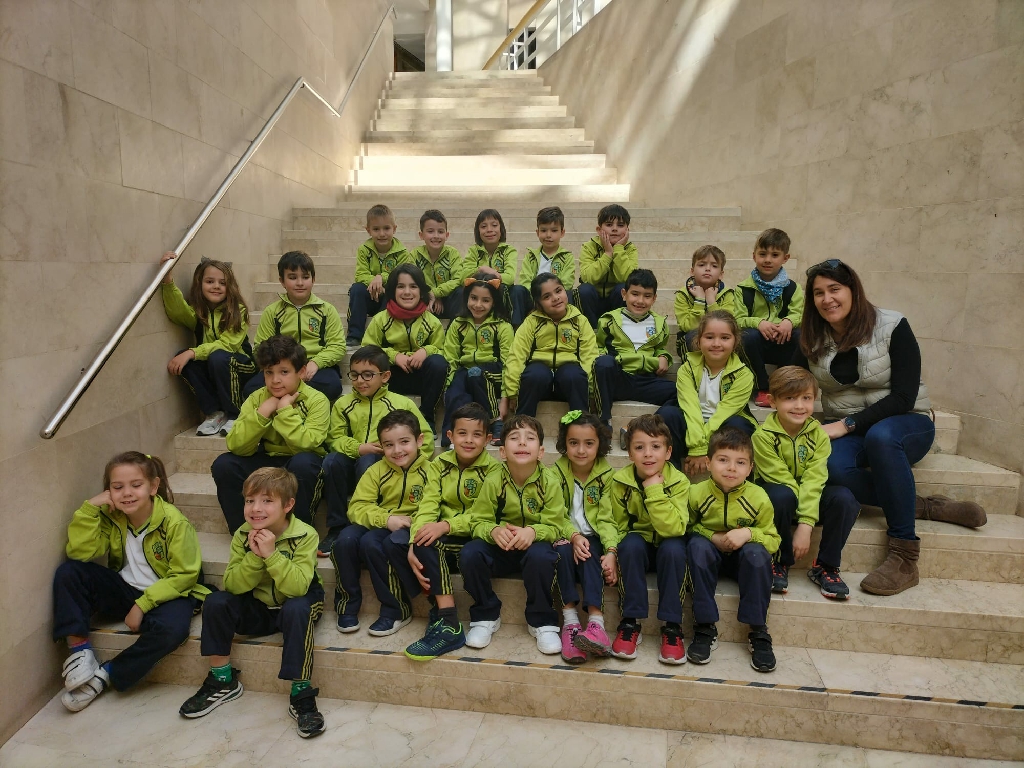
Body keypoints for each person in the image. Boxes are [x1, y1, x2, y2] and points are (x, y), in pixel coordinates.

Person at [796, 259, 987, 596]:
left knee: (881, 438)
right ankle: (923, 505)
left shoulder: (892, 324)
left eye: (834, 289)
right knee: (831, 467)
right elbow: (792, 380)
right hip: (852, 429)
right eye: (818, 293)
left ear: (853, 290)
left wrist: (847, 424)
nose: (827, 299)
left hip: (906, 422)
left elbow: (903, 396)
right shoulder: (812, 336)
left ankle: (904, 557)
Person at [53, 452, 207, 712]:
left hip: (169, 593)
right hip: (125, 589)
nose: (127, 493)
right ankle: (80, 652)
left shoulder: (174, 522)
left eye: (136, 485)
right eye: (117, 487)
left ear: (153, 487)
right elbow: (80, 553)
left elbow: (185, 576)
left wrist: (142, 605)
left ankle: (108, 674)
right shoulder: (112, 517)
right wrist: (89, 510)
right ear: (108, 491)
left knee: (173, 631)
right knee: (70, 572)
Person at [179, 467, 326, 738]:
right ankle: (222, 679)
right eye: (250, 500)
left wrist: (272, 556)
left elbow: (298, 588)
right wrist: (255, 557)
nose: (256, 508)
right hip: (259, 607)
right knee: (216, 601)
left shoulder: (305, 535)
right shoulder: (242, 535)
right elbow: (233, 585)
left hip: (298, 604)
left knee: (297, 608)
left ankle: (301, 692)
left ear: (288, 505)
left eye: (267, 500)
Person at [385, 403, 498, 660]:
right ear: (450, 435)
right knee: (396, 542)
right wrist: (413, 543)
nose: (468, 440)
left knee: (428, 541)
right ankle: (439, 609)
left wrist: (447, 525)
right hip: (442, 538)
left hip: (474, 539)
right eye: (462, 433)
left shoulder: (494, 470)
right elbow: (428, 505)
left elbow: (485, 515)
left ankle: (448, 624)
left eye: (477, 434)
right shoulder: (439, 464)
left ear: (488, 439)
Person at [459, 415, 567, 653]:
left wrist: (533, 531)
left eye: (530, 438)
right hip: (501, 549)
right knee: (470, 553)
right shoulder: (493, 479)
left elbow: (557, 526)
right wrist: (493, 530)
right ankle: (485, 615)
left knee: (543, 556)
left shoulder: (550, 481)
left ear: (540, 452)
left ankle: (542, 621)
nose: (522, 443)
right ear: (502, 452)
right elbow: (477, 521)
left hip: (534, 548)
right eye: (514, 438)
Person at [753, 366, 860, 599]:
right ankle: (778, 560)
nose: (799, 406)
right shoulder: (762, 437)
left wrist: (806, 523)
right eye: (789, 398)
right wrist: (805, 521)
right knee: (780, 494)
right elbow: (781, 479)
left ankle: (826, 566)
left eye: (806, 398)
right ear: (772, 401)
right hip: (779, 503)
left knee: (844, 498)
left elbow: (815, 478)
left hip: (808, 501)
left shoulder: (818, 435)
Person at [318, 345, 433, 556]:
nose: (360, 381)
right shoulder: (343, 404)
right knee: (332, 460)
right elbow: (333, 438)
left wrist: (407, 461)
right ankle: (336, 527)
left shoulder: (402, 403)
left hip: (385, 470)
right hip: (351, 467)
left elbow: (424, 438)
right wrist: (358, 448)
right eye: (354, 375)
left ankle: (374, 518)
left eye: (368, 375)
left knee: (369, 460)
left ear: (385, 376)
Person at [212, 336, 329, 533]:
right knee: (224, 464)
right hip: (267, 458)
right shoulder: (257, 398)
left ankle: (299, 533)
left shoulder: (317, 400)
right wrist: (263, 412)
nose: (275, 380)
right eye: (269, 372)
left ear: (301, 372)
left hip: (300, 460)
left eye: (284, 372)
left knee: (304, 463)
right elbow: (235, 445)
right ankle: (244, 533)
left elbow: (308, 443)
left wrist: (284, 411)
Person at [686, 428, 779, 672]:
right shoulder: (696, 493)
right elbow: (686, 527)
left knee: (757, 553)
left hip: (743, 561)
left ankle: (758, 631)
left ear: (750, 468)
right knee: (696, 546)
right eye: (723, 460)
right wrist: (712, 536)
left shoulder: (759, 497)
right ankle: (705, 626)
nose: (731, 468)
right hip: (709, 558)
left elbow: (773, 540)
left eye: (740, 462)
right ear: (708, 463)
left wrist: (749, 533)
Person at [330, 410, 430, 636]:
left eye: (404, 442)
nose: (397, 450)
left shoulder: (431, 471)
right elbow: (357, 507)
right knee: (344, 541)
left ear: (419, 440)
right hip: (380, 521)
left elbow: (435, 507)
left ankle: (396, 609)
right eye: (389, 445)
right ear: (381, 446)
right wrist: (386, 519)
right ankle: (347, 606)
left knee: (371, 544)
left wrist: (407, 522)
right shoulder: (376, 470)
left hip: (410, 527)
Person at [607, 415, 690, 665]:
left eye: (656, 446)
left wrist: (653, 490)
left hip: (668, 545)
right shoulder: (620, 481)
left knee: (675, 548)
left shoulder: (679, 482)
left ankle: (672, 626)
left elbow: (674, 528)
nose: (648, 454)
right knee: (629, 545)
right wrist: (611, 551)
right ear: (629, 453)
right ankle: (630, 622)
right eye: (639, 447)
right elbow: (615, 524)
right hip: (639, 547)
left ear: (668, 452)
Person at [160, 253, 253, 436]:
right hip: (215, 365)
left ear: (230, 287)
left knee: (216, 356)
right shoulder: (199, 311)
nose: (216, 286)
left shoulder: (238, 311)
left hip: (243, 366)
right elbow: (178, 313)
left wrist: (193, 352)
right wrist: (167, 280)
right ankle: (215, 413)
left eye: (222, 283)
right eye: (210, 281)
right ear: (199, 284)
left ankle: (235, 414)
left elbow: (228, 345)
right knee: (185, 359)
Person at [550, 411, 617, 664]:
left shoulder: (608, 476)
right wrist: (574, 535)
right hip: (563, 534)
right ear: (564, 444)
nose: (581, 450)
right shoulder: (554, 473)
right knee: (562, 552)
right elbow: (555, 514)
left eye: (589, 443)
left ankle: (596, 625)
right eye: (573, 443)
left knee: (591, 553)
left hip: (594, 537)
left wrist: (611, 551)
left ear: (600, 445)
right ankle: (570, 623)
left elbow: (608, 519)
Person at [656, 310, 757, 472]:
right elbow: (690, 407)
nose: (716, 343)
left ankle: (731, 477)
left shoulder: (743, 375)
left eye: (725, 338)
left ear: (735, 341)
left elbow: (724, 413)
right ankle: (670, 474)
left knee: (739, 425)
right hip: (690, 430)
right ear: (698, 340)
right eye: (709, 337)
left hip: (722, 433)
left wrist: (701, 448)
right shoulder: (687, 369)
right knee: (668, 415)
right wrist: (696, 446)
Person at [244, 251, 345, 401]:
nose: (300, 283)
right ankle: (293, 400)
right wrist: (282, 369)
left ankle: (282, 400)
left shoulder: (327, 310)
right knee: (250, 390)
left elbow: (337, 346)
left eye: (305, 277)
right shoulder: (272, 312)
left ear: (313, 279)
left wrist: (316, 362)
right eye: (292, 277)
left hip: (314, 368)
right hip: (280, 366)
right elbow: (260, 346)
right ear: (282, 281)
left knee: (332, 385)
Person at [362, 263, 447, 432]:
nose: (407, 292)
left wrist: (425, 351)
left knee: (438, 363)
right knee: (371, 366)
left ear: (421, 291)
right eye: (401, 286)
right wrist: (393, 356)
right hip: (391, 377)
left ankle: (426, 417)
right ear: (393, 290)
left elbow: (444, 350)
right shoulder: (380, 319)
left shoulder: (432, 321)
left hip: (422, 378)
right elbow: (366, 350)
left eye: (413, 286)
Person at [500, 273, 599, 419]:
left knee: (574, 375)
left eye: (558, 291)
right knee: (535, 373)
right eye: (547, 296)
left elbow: (589, 356)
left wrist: (591, 392)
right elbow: (516, 355)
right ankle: (523, 424)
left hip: (568, 383)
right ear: (538, 304)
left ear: (565, 291)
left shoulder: (580, 321)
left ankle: (581, 424)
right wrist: (513, 392)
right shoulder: (531, 322)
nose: (555, 298)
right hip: (539, 383)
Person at [593, 268, 676, 436]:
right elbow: (599, 345)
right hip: (619, 378)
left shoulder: (659, 324)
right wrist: (601, 355)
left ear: (654, 298)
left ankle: (647, 425)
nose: (640, 301)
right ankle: (604, 421)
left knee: (681, 391)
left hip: (646, 380)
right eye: (635, 294)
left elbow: (659, 348)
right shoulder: (609, 320)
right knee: (604, 363)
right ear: (624, 294)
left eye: (647, 296)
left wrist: (664, 356)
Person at [440, 272, 514, 448]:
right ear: (466, 297)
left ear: (494, 302)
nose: (478, 305)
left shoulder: (502, 326)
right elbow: (451, 357)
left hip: (494, 371)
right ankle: (452, 433)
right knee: (456, 388)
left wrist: (506, 397)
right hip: (466, 370)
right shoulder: (458, 324)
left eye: (485, 300)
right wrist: (448, 386)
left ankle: (495, 421)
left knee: (475, 374)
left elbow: (509, 364)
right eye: (474, 298)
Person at [733, 228, 803, 408]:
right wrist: (759, 323)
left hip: (783, 340)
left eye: (775, 255)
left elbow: (799, 314)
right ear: (754, 256)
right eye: (762, 254)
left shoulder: (793, 288)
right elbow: (738, 319)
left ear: (785, 258)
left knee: (802, 335)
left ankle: (784, 384)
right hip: (757, 345)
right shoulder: (743, 289)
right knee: (746, 336)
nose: (768, 260)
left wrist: (788, 322)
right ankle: (762, 386)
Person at [348, 203, 409, 345]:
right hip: (369, 295)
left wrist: (381, 278)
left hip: (387, 298)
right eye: (376, 229)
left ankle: (382, 333)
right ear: (368, 230)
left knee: (394, 291)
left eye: (386, 228)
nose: (382, 234)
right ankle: (354, 335)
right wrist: (375, 281)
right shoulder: (364, 250)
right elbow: (360, 275)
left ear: (394, 229)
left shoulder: (402, 253)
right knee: (356, 289)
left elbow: (400, 276)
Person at [511, 206, 577, 326]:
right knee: (518, 290)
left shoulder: (567, 257)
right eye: (544, 230)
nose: (548, 235)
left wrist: (549, 296)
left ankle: (567, 326)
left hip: (555, 298)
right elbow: (525, 281)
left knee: (569, 293)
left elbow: (566, 282)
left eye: (554, 230)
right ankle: (517, 327)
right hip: (534, 299)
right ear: (537, 232)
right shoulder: (530, 257)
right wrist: (539, 299)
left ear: (562, 232)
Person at [578, 204, 638, 328]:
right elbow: (587, 277)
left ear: (627, 230)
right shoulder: (588, 247)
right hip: (593, 302)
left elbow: (628, 278)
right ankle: (591, 331)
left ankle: (615, 330)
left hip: (616, 301)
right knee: (584, 290)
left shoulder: (630, 249)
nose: (614, 229)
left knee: (623, 288)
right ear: (599, 229)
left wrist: (618, 249)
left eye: (620, 225)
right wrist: (607, 254)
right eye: (609, 225)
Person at [674, 244, 737, 359]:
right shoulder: (682, 295)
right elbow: (687, 326)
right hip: (691, 337)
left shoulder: (727, 294)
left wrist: (712, 302)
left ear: (721, 274)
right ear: (692, 271)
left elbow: (728, 325)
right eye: (702, 265)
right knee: (693, 336)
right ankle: (693, 369)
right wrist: (699, 300)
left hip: (719, 338)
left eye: (714, 266)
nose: (708, 269)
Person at [409, 209, 464, 320]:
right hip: (424, 299)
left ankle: (455, 328)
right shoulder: (415, 255)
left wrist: (436, 293)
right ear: (421, 235)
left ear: (447, 235)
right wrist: (429, 295)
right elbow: (412, 280)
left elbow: (458, 279)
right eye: (430, 231)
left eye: (440, 231)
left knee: (460, 292)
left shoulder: (452, 254)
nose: (436, 236)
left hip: (448, 300)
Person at [461, 208, 517, 319]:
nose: (489, 230)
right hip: (479, 293)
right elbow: (463, 277)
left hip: (500, 292)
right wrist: (481, 269)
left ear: (501, 229)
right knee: (459, 291)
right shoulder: (474, 251)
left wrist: (493, 274)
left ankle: (515, 324)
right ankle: (462, 322)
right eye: (483, 226)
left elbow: (510, 278)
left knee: (518, 290)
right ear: (478, 231)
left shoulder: (509, 250)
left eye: (494, 225)